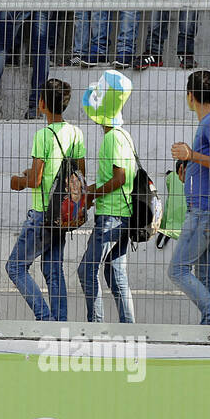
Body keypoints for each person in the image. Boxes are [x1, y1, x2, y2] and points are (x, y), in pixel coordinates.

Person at [6, 78, 85, 321]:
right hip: (62, 213)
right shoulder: (75, 133)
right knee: (53, 269)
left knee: (15, 267)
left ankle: (45, 318)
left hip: (42, 213)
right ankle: (60, 323)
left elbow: (36, 179)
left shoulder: (43, 135)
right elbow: (80, 173)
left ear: (42, 104)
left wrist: (18, 180)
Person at [168, 69, 210, 326]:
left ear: (190, 96)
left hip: (204, 208)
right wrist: (191, 171)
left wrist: (191, 156)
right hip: (207, 205)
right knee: (206, 273)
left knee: (177, 269)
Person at [78, 69, 136, 324]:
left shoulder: (112, 139)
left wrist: (91, 192)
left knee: (87, 270)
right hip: (123, 214)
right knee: (116, 274)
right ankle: (128, 327)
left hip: (111, 215)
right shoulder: (124, 136)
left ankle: (96, 324)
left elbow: (119, 178)